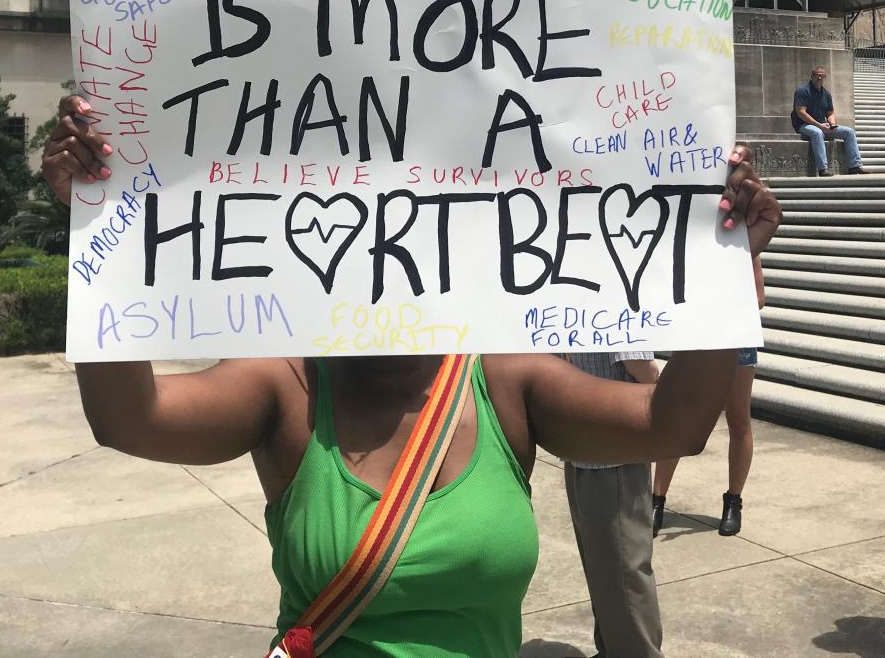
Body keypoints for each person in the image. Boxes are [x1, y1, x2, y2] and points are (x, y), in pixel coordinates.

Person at [43, 95, 780, 658]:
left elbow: (672, 425)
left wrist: (724, 266)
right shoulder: (290, 383)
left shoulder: (500, 376)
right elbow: (129, 418)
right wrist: (95, 221)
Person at [564, 351, 664, 658]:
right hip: (583, 449)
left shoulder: (610, 307)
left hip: (614, 456)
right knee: (603, 569)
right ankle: (610, 648)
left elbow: (644, 370)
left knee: (623, 573)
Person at [651, 348, 757, 538]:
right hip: (698, 340)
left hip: (736, 338)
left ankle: (734, 500)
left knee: (738, 418)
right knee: (678, 418)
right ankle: (657, 500)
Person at [791, 65, 868, 176]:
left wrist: (832, 124)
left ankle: (854, 166)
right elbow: (801, 112)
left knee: (849, 132)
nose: (819, 78)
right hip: (804, 125)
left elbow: (830, 113)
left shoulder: (826, 94)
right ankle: (823, 169)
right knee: (817, 133)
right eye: (817, 75)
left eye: (822, 76)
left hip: (822, 125)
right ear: (812, 76)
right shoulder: (802, 91)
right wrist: (819, 125)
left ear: (825, 77)